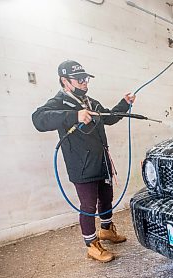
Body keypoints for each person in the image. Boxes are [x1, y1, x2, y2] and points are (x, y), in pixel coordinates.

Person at [32, 60, 135, 262]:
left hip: (101, 161)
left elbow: (109, 117)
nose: (85, 83)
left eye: (85, 79)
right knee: (88, 205)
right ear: (65, 81)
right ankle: (91, 245)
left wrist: (124, 103)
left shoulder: (90, 102)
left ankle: (106, 230)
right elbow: (38, 119)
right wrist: (74, 116)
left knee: (106, 197)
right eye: (79, 80)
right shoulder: (59, 102)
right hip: (81, 165)